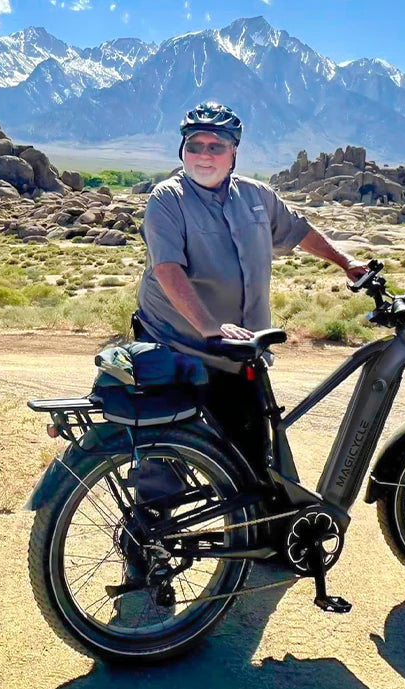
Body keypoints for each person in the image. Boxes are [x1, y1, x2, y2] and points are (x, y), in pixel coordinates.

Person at [134, 102, 368, 470]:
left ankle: (251, 525)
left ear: (234, 153)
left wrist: (346, 262)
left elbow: (299, 230)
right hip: (178, 348)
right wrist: (211, 327)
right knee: (165, 467)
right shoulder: (168, 198)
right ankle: (150, 523)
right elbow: (167, 269)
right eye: (195, 145)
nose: (204, 155)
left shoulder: (257, 196)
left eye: (216, 146)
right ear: (182, 151)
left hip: (239, 352)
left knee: (252, 461)